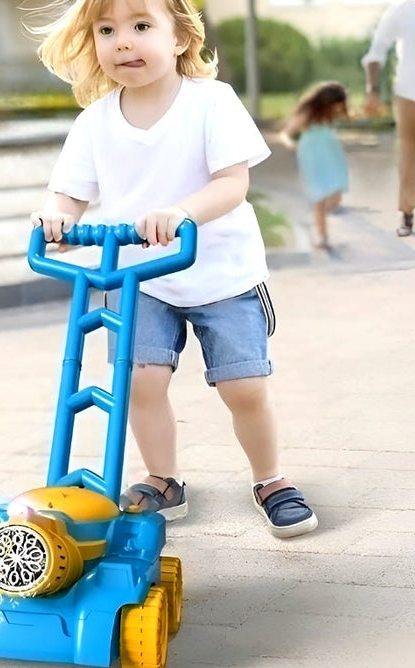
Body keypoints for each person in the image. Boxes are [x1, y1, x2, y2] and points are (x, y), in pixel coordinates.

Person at [27, 0, 318, 538]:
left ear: (180, 38)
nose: (123, 42)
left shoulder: (211, 103)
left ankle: (270, 479)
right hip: (140, 276)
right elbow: (67, 194)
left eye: (141, 27)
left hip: (220, 271)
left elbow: (233, 183)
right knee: (138, 382)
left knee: (243, 387)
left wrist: (183, 212)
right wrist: (57, 221)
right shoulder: (94, 123)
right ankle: (164, 479)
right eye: (107, 30)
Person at [362, 0, 415, 236]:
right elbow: (377, 51)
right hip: (409, 94)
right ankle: (407, 215)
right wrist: (372, 90)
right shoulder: (400, 10)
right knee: (409, 156)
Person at [280, 81, 350, 250]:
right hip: (312, 155)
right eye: (336, 105)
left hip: (331, 154)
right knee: (319, 196)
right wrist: (291, 145)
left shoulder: (329, 116)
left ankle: (316, 216)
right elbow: (285, 133)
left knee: (336, 194)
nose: (339, 109)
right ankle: (322, 237)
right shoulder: (309, 114)